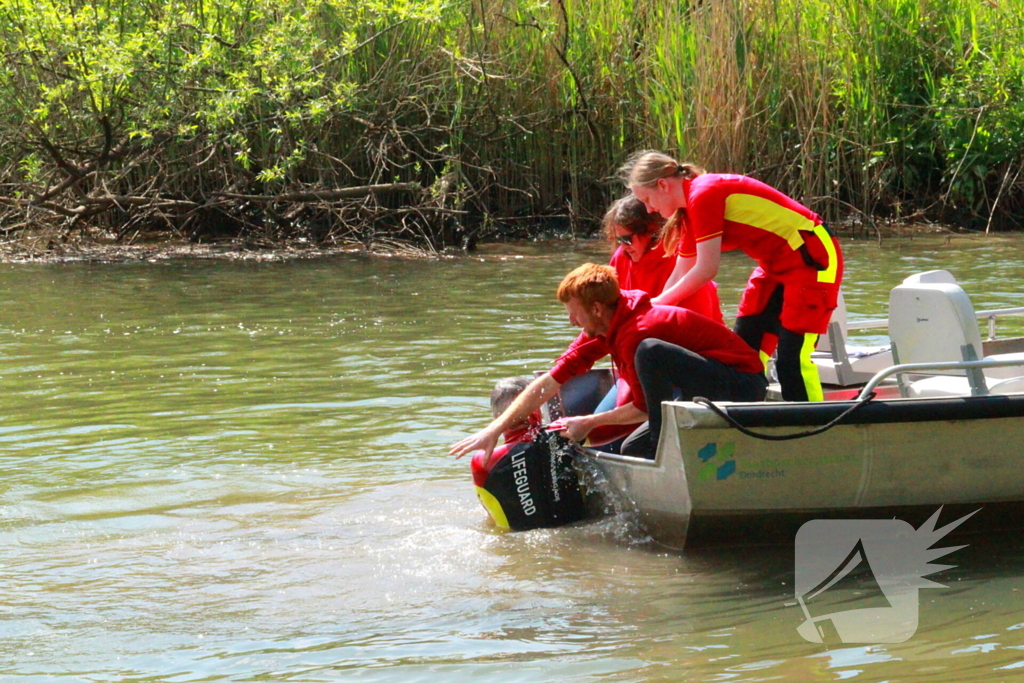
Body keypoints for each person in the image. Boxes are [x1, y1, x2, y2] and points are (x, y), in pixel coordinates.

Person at [449, 264, 766, 461]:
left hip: (741, 385)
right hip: (700, 385)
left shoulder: (637, 332)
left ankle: (666, 449)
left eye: (573, 312)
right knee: (632, 450)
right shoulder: (603, 326)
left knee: (650, 350)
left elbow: (643, 408)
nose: (571, 320)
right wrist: (495, 428)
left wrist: (589, 423)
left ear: (597, 308)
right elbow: (550, 381)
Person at [623, 151, 844, 402]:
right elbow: (681, 272)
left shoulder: (703, 194)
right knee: (742, 356)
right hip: (773, 266)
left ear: (662, 185)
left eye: (647, 199)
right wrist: (649, 312)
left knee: (792, 359)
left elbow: (706, 270)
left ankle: (813, 427)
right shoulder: (689, 211)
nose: (649, 209)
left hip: (812, 257)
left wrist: (654, 306)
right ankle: (745, 418)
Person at [469, 376, 587, 531]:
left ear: (497, 418)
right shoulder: (561, 432)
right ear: (536, 411)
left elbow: (490, 512)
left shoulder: (482, 462)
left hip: (517, 537)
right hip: (575, 527)